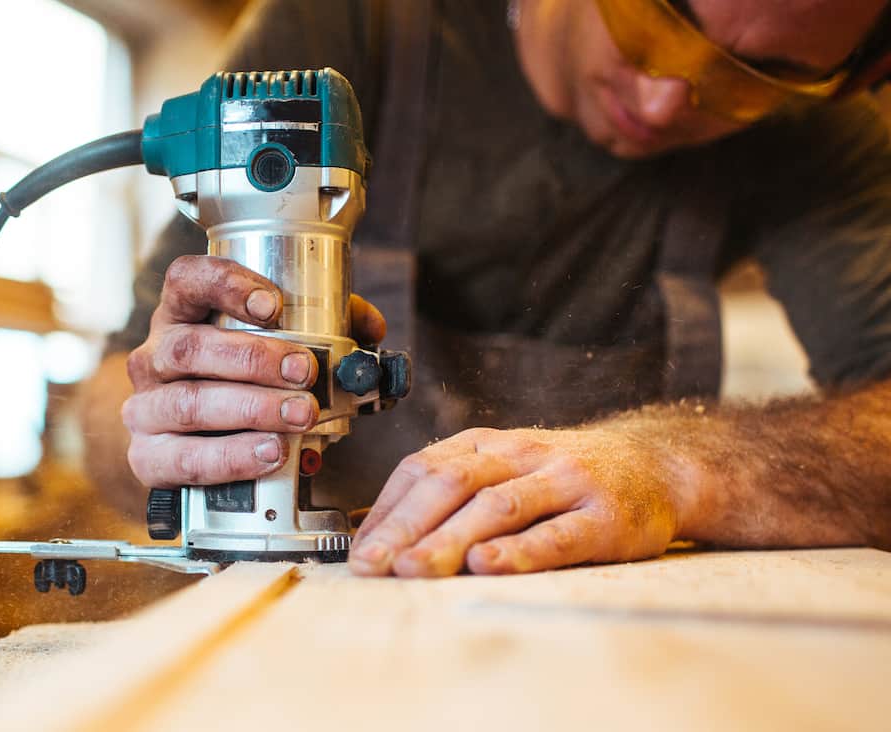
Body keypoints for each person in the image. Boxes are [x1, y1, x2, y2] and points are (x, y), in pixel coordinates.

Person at [83, 0, 891, 577]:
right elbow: (106, 406)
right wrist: (174, 429)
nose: (663, 100)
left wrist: (678, 468)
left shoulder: (820, 122)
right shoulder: (352, 24)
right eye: (651, 25)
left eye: (752, 80)